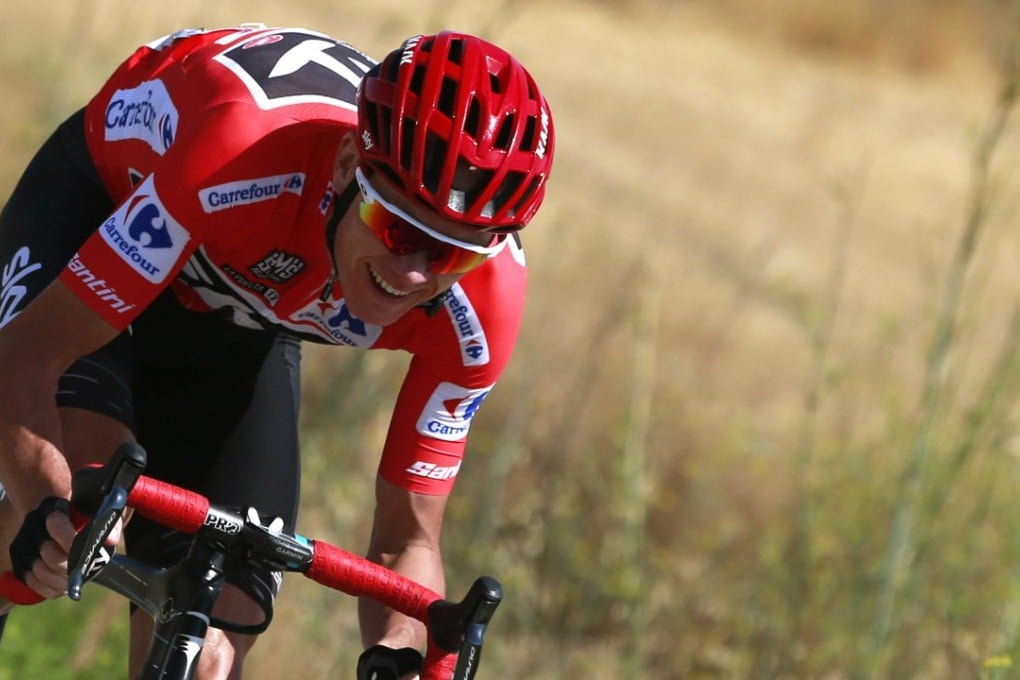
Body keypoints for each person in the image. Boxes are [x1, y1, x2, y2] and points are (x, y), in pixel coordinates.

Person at [0, 22, 554, 679]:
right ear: (349, 165)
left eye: (451, 252)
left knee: (209, 644)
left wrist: (404, 653)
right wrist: (40, 496)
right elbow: (28, 353)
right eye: (393, 225)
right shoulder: (238, 156)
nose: (412, 271)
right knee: (83, 506)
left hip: (239, 306)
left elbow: (407, 537)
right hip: (104, 205)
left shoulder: (483, 307)